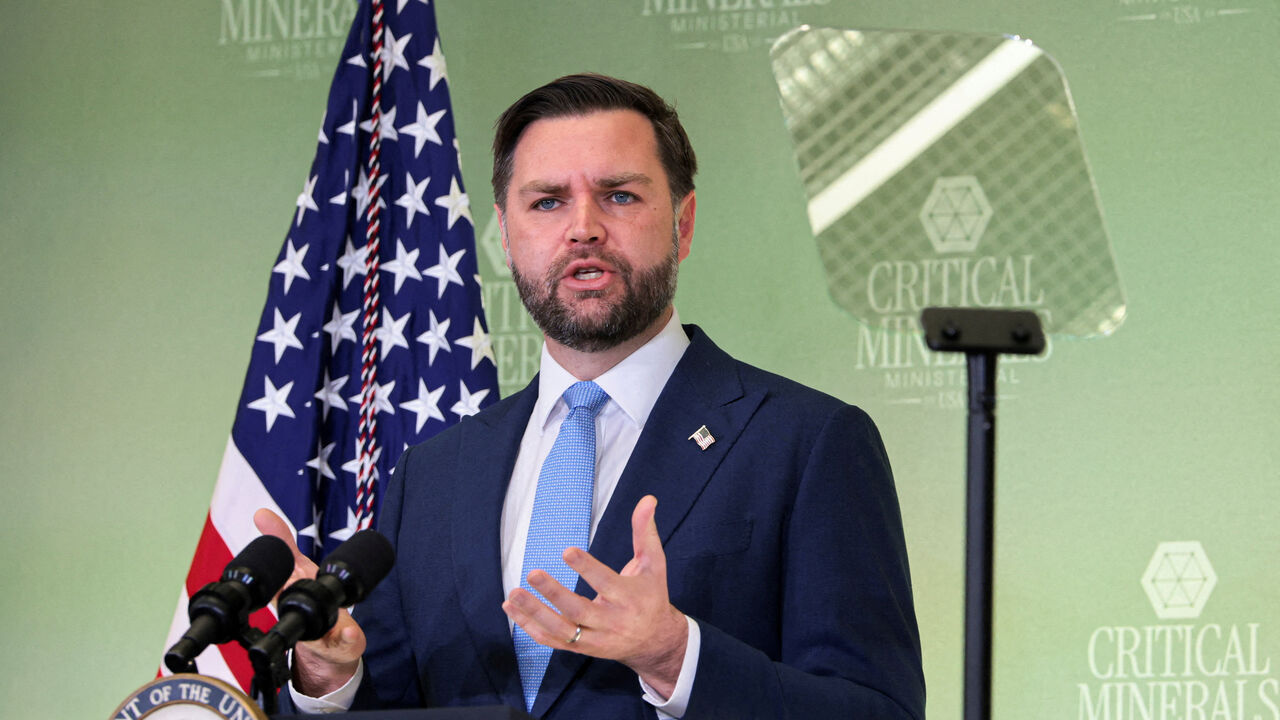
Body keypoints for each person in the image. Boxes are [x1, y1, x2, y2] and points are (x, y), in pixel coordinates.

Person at [257, 73, 925, 719]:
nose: (583, 228)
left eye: (620, 196)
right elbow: (399, 705)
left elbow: (878, 710)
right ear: (508, 235)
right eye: (547, 201)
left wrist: (676, 657)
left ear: (683, 224)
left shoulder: (808, 444)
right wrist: (327, 676)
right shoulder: (434, 473)